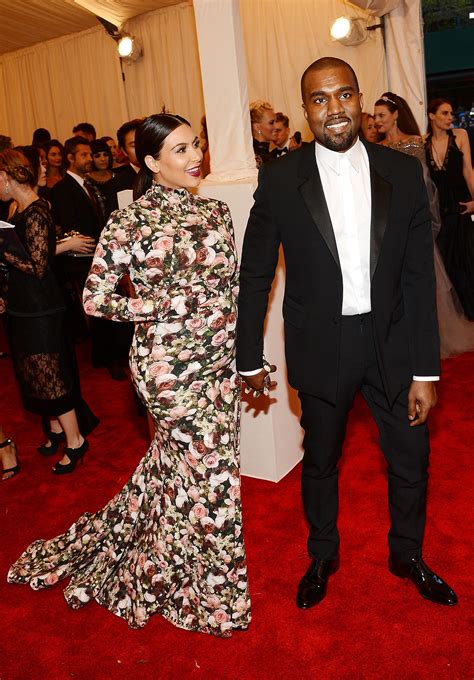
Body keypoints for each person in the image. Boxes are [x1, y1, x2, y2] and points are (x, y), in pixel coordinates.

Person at [8, 113, 251, 637]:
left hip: (217, 362)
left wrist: (245, 355)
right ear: (151, 162)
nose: (194, 158)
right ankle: (214, 597)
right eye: (181, 150)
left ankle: (173, 551)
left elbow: (230, 290)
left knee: (195, 472)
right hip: (167, 368)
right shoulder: (130, 223)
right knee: (213, 480)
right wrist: (166, 303)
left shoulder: (215, 212)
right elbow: (96, 299)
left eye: (196, 147)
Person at [237, 57, 457, 610]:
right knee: (321, 459)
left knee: (411, 459)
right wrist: (246, 353)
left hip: (395, 345)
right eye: (319, 99)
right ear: (306, 109)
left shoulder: (402, 172)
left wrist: (426, 368)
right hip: (321, 347)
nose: (334, 108)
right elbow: (257, 270)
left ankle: (407, 553)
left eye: (343, 95)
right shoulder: (282, 179)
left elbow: (417, 276)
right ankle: (322, 553)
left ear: (359, 100)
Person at [0, 149, 98, 474]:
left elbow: (38, 265)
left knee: (51, 374)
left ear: (8, 176)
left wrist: (4, 252)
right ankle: (56, 429)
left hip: (43, 307)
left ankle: (75, 439)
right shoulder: (15, 207)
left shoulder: (38, 210)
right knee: (33, 373)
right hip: (24, 305)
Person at [426, 98, 474, 320]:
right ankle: (461, 317)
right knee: (448, 269)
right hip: (439, 216)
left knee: (468, 263)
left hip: (461, 209)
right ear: (431, 115)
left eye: (451, 113)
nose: (450, 118)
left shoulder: (460, 137)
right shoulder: (423, 143)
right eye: (444, 113)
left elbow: (468, 172)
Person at [249, 100, 276, 166]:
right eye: (271, 123)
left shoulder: (268, 154)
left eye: (276, 122)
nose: (276, 127)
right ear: (256, 127)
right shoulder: (252, 156)